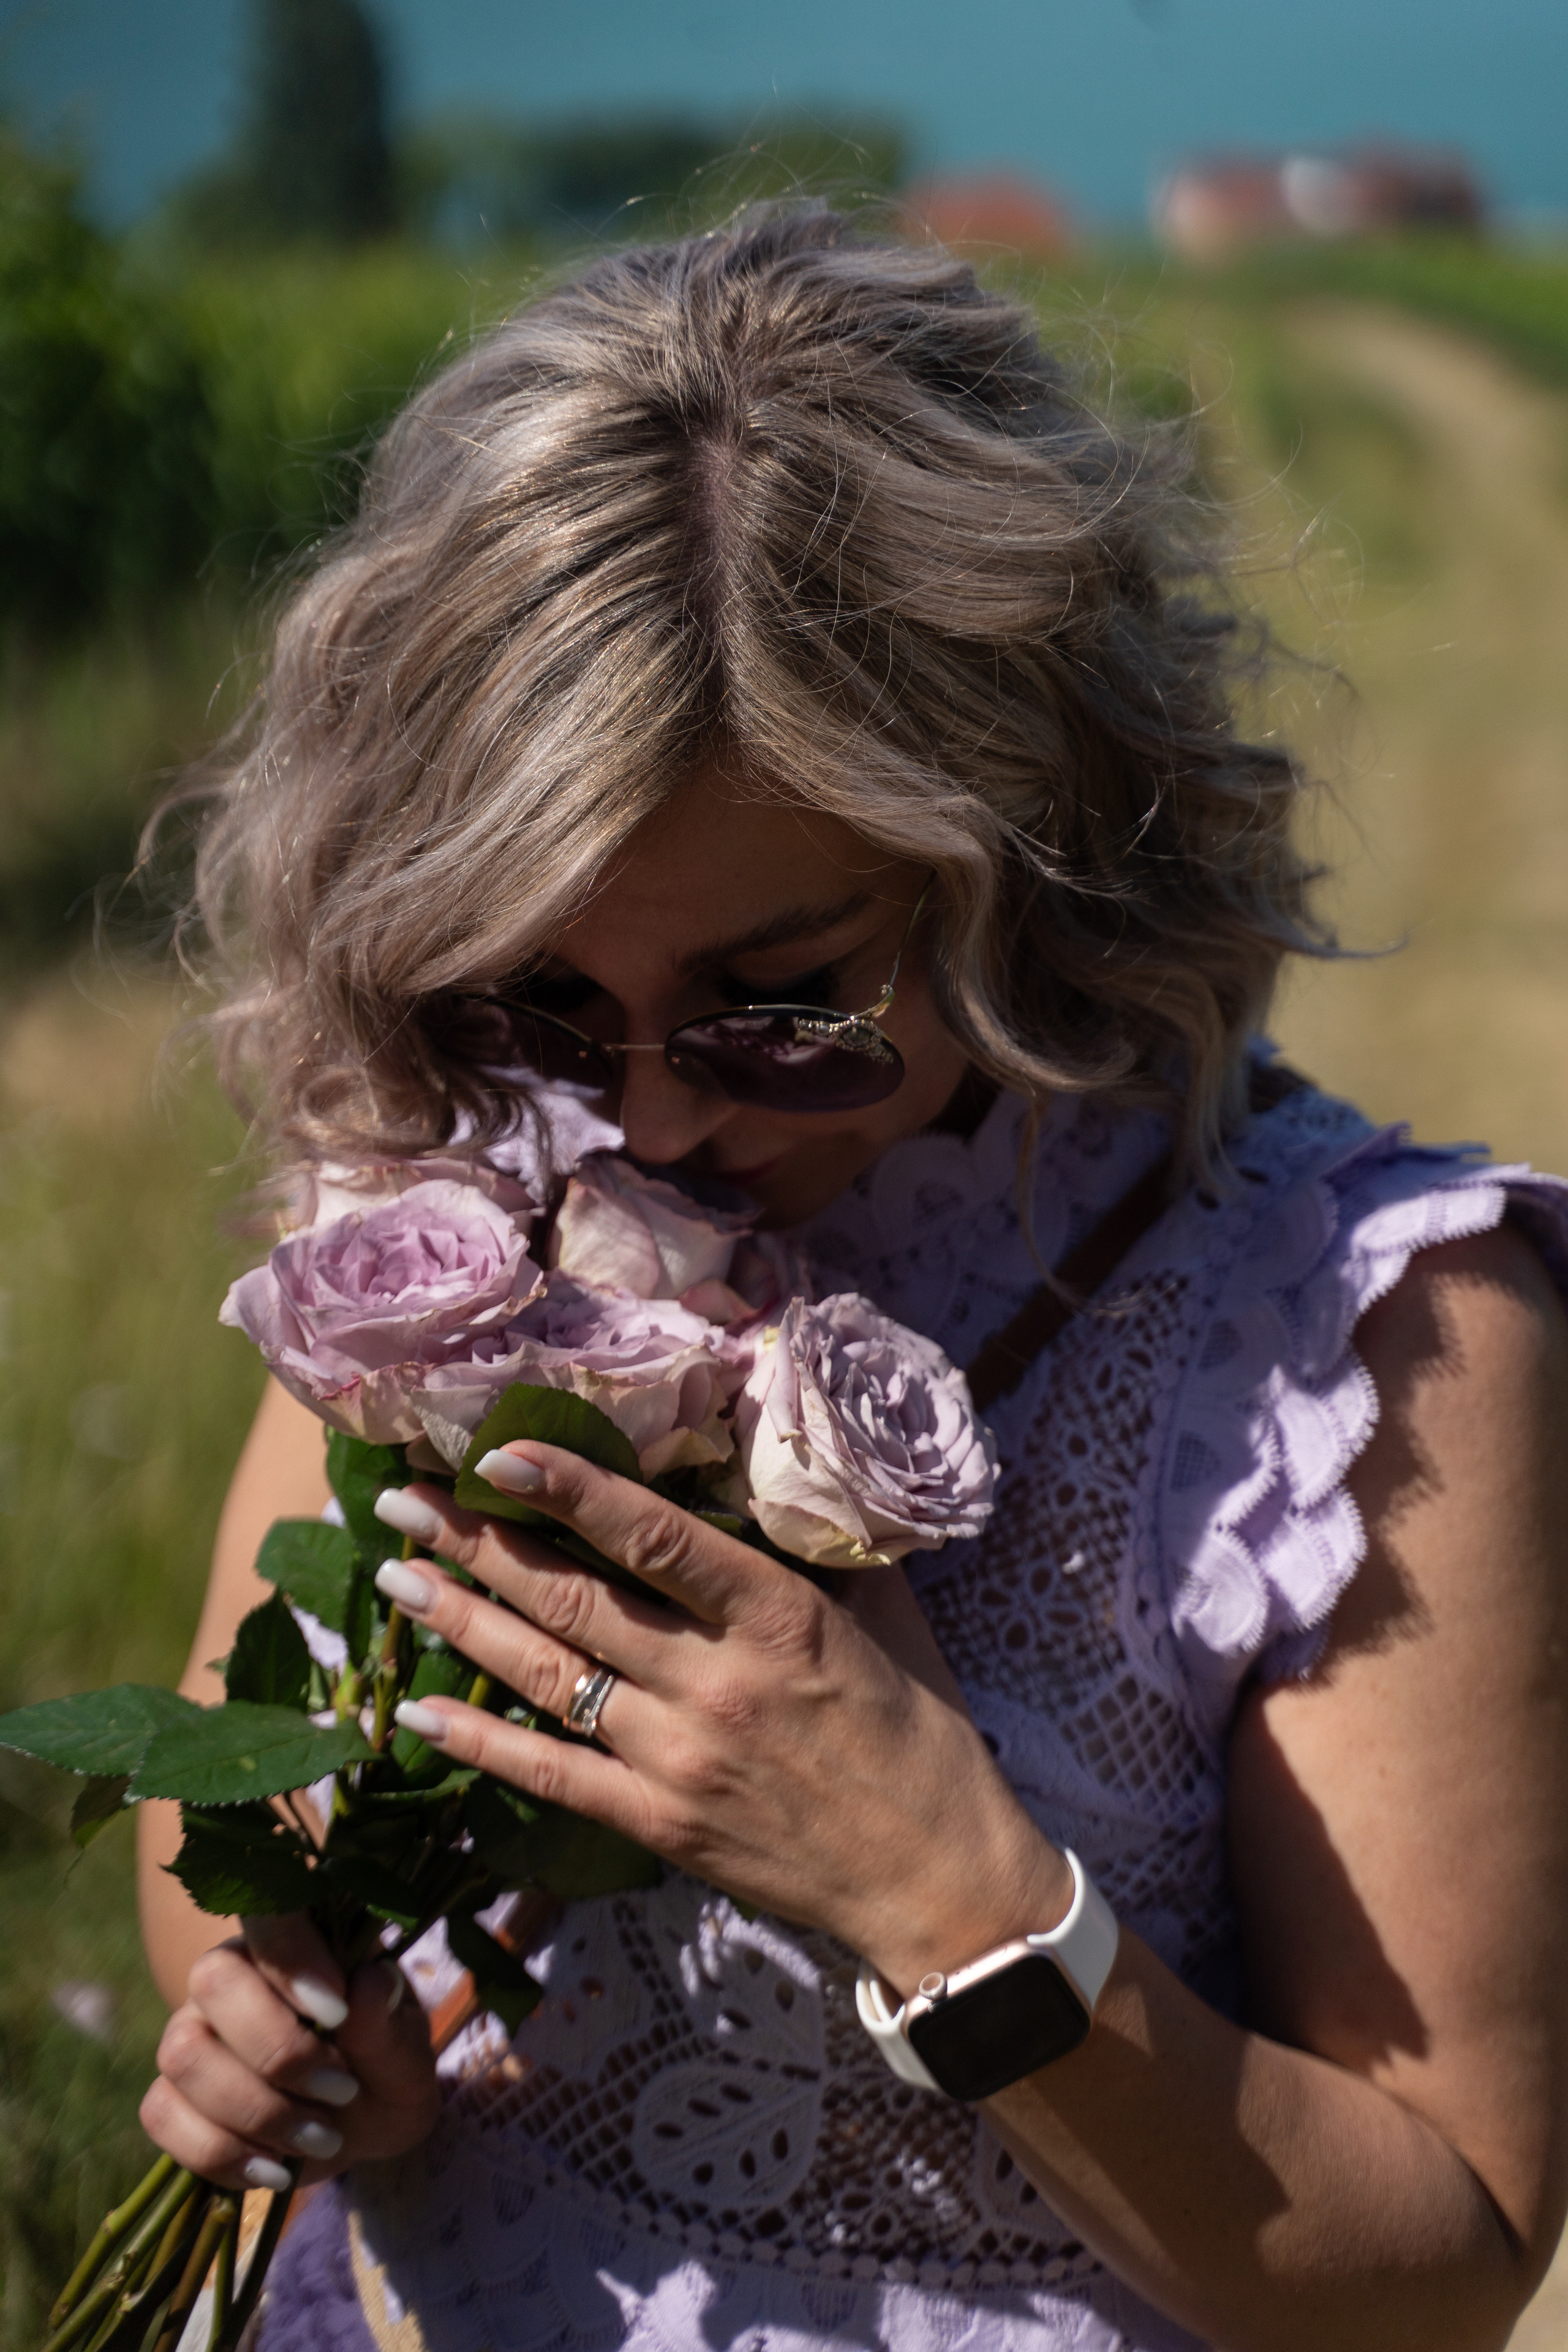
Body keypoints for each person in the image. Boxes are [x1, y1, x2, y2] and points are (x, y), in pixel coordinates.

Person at [134, 209, 1568, 2352]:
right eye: (535, 1000)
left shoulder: (1371, 1338)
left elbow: (1433, 2269)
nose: (650, 1122)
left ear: (1025, 850)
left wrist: (941, 1888)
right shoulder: (452, 1211)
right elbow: (214, 1794)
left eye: (778, 1003)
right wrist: (294, 2018)